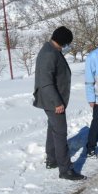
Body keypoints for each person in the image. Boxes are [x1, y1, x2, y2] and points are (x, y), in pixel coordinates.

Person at [33, 26, 86, 180]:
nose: (68, 46)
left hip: (52, 99)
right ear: (63, 42)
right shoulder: (49, 54)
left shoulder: (51, 49)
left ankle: (52, 159)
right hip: (52, 100)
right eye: (68, 43)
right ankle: (66, 170)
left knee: (53, 129)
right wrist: (57, 102)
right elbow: (46, 82)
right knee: (61, 133)